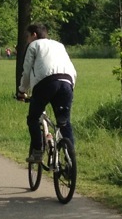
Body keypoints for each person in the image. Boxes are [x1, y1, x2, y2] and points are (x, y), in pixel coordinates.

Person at [17, 22, 77, 164]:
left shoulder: (33, 45)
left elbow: (26, 71)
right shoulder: (59, 45)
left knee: (33, 118)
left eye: (27, 36)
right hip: (67, 82)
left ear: (34, 35)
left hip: (46, 83)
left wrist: (21, 91)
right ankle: (70, 159)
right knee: (64, 122)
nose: (27, 39)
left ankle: (37, 151)